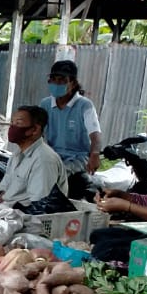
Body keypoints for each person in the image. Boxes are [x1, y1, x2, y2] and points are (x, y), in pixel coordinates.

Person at [42, 59, 101, 198]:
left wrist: (95, 154)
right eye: (53, 79)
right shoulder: (45, 104)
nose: (56, 84)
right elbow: (37, 131)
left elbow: (95, 134)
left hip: (78, 157)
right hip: (53, 155)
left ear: (72, 83)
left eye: (62, 80)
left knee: (56, 175)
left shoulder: (84, 105)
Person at [0, 106, 67, 207]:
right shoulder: (17, 154)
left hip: (25, 219)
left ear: (35, 130)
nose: (12, 127)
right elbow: (5, 189)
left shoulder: (44, 159)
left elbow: (40, 204)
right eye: (12, 123)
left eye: (18, 123)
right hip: (7, 212)